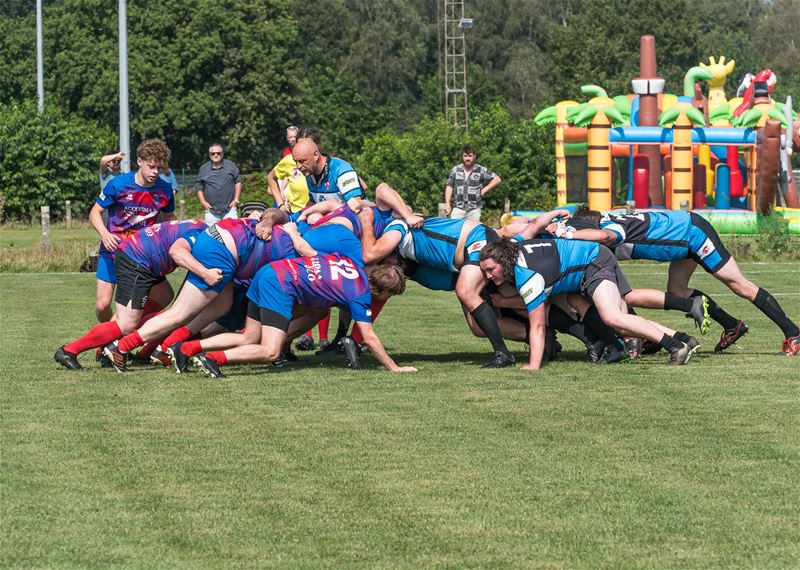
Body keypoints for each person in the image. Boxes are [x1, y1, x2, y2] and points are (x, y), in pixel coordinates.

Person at [569, 207, 799, 356]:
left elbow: (607, 236)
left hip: (692, 235)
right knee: (677, 291)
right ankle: (732, 325)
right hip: (682, 236)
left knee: (740, 286)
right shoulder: (603, 219)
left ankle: (793, 333)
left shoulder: (606, 229)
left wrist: (568, 234)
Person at [104, 210, 292, 372]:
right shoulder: (296, 247)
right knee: (180, 313)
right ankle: (120, 347)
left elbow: (281, 214)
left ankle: (172, 345)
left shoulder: (291, 232)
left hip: (223, 244)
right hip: (220, 252)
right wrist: (204, 273)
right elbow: (175, 252)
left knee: (222, 305)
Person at [478, 238, 699, 370]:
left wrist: (533, 366)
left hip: (593, 262)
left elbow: (537, 324)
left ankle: (676, 347)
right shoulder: (513, 250)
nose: (487, 276)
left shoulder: (527, 276)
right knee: (619, 321)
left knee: (613, 318)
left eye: (490, 269)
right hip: (588, 262)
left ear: (505, 262)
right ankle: (681, 338)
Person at [186, 256, 416, 378]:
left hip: (270, 270)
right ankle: (213, 359)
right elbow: (370, 337)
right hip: (280, 284)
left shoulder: (353, 265)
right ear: (380, 289)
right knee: (269, 350)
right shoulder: (359, 294)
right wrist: (394, 367)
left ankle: (187, 348)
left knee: (249, 337)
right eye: (389, 295)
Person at [54, 219, 217, 370]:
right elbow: (177, 252)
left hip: (144, 254)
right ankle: (70, 351)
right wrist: (205, 273)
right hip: (137, 259)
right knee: (126, 324)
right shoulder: (200, 236)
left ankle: (136, 350)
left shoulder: (203, 229)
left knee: (165, 295)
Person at [89, 138, 176, 325]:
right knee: (102, 306)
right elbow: (94, 212)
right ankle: (106, 335)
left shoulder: (165, 190)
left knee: (165, 295)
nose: (155, 172)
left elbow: (169, 219)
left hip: (143, 255)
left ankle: (111, 340)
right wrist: (105, 233)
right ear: (140, 162)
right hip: (113, 251)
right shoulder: (119, 184)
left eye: (159, 169)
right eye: (151, 166)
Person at [291, 138, 363, 207]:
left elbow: (356, 206)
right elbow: (313, 203)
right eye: (296, 161)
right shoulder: (309, 173)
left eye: (302, 161)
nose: (298, 166)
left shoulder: (341, 169)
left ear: (315, 155)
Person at [444, 146, 502, 221]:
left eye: (470, 156)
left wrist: (484, 190)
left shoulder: (481, 170)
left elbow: (497, 179)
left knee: (473, 231)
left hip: (474, 210)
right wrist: (447, 203)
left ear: (474, 156)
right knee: (455, 231)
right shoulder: (455, 170)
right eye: (465, 156)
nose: (467, 158)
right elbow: (449, 186)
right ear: (462, 156)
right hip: (458, 208)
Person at [194, 143, 242, 225]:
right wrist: (203, 202)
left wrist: (236, 200)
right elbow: (199, 187)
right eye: (213, 153)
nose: (216, 155)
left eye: (218, 153)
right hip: (211, 211)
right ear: (209, 155)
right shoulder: (203, 169)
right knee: (212, 236)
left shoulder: (230, 165)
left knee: (231, 234)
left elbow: (238, 182)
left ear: (222, 154)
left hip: (229, 210)